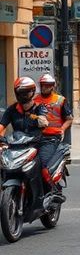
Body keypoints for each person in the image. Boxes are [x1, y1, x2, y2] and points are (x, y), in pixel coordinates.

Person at [0, 77, 64, 206]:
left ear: (33, 92)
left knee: (42, 167)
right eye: (21, 92)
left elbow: (44, 119)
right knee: (4, 165)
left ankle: (52, 192)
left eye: (28, 91)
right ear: (16, 92)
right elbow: (2, 126)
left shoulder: (39, 108)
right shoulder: (12, 110)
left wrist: (40, 119)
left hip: (39, 143)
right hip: (18, 144)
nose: (24, 95)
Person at [34, 74, 72, 199]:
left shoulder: (60, 100)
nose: (45, 88)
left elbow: (69, 119)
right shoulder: (35, 100)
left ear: (52, 86)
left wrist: (62, 129)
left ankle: (50, 189)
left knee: (43, 165)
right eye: (43, 85)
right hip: (35, 137)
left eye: (47, 85)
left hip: (52, 138)